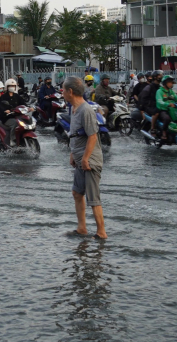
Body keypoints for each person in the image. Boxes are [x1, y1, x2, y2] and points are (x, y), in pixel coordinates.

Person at [62, 76, 107, 239]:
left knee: (93, 198)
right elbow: (76, 135)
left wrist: (86, 158)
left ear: (70, 91)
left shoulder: (86, 110)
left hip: (90, 160)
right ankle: (82, 228)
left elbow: (93, 136)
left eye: (63, 90)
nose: (62, 93)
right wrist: (73, 153)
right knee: (77, 193)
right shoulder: (73, 109)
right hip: (80, 158)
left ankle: (101, 232)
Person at [0, 79, 27, 147]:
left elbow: (23, 104)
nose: (12, 87)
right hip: (7, 117)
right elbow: (0, 107)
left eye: (13, 86)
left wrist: (29, 108)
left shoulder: (17, 96)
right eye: (10, 86)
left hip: (16, 116)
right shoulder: (3, 97)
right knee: (15, 123)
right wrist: (5, 110)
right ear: (7, 87)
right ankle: (12, 140)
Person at [155, 75, 177, 140]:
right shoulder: (159, 91)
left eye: (172, 82)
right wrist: (167, 104)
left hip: (172, 110)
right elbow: (159, 101)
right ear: (165, 83)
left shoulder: (171, 91)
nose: (171, 84)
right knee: (167, 119)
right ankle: (164, 132)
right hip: (163, 110)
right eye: (169, 82)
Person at [138, 71, 163, 136]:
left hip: (158, 105)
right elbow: (142, 98)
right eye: (159, 75)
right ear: (155, 77)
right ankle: (153, 128)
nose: (161, 77)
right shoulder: (149, 87)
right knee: (157, 112)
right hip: (150, 106)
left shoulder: (160, 87)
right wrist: (143, 109)